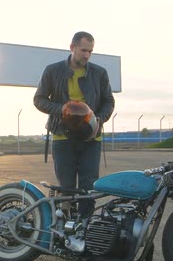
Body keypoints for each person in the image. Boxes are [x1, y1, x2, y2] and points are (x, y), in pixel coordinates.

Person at [33, 31, 115, 219]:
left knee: (88, 186)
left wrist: (98, 119)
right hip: (62, 136)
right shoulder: (52, 71)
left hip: (91, 138)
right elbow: (39, 100)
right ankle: (63, 225)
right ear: (72, 47)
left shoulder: (99, 73)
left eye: (90, 51)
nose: (87, 55)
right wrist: (64, 109)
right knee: (66, 186)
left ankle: (84, 225)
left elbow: (109, 102)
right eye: (83, 50)